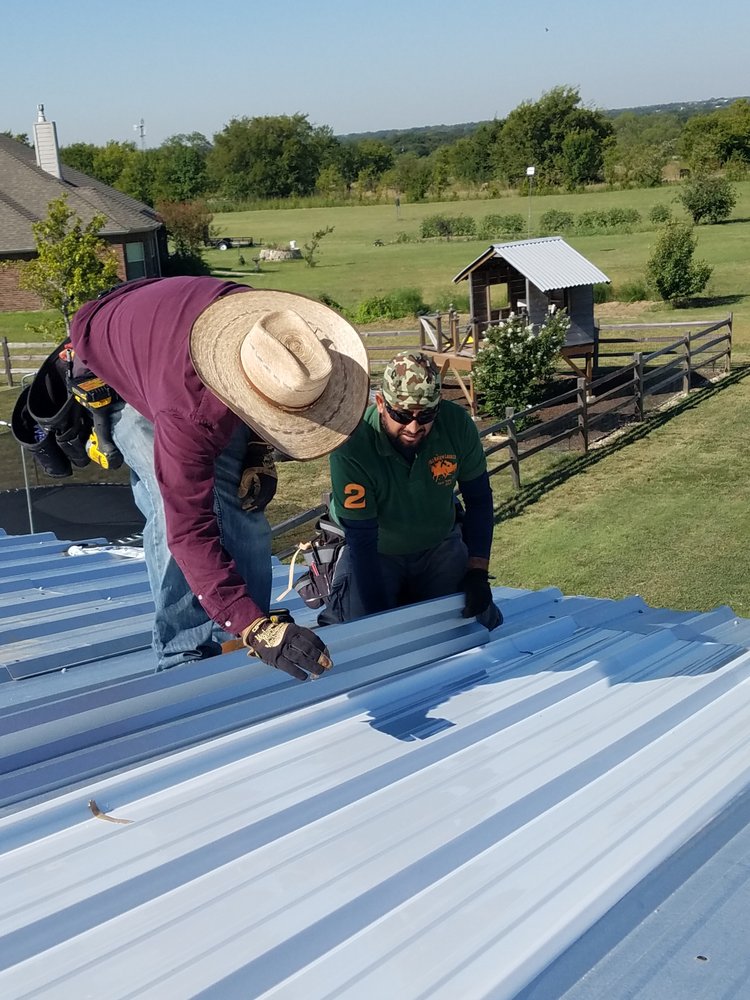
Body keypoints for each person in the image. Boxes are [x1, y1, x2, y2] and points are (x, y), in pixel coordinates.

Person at [69, 276, 369, 679]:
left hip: (170, 326)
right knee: (171, 507)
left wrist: (259, 450)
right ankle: (183, 652)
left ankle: (252, 632)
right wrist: (247, 623)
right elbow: (188, 530)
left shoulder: (278, 335)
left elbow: (272, 391)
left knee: (243, 501)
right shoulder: (189, 415)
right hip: (116, 359)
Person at [319, 351, 502, 629]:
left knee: (478, 623)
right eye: (402, 415)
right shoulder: (352, 445)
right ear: (381, 403)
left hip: (439, 543)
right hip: (376, 550)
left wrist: (478, 571)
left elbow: (478, 499)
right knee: (361, 632)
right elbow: (362, 538)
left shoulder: (457, 425)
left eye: (426, 414)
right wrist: (378, 618)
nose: (414, 427)